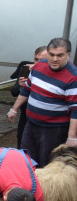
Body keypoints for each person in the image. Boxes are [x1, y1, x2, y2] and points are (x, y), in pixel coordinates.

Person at [8, 38, 77, 166]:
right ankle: (27, 185)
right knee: (26, 159)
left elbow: (75, 110)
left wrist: (72, 137)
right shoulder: (39, 66)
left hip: (53, 130)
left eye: (60, 55)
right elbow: (27, 89)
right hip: (31, 124)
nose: (54, 59)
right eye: (51, 54)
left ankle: (42, 186)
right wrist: (14, 109)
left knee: (45, 163)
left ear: (68, 55)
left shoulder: (73, 76)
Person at [9, 46, 47, 148]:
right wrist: (22, 87)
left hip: (46, 121)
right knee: (22, 144)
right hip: (25, 117)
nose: (38, 63)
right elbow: (14, 91)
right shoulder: (27, 71)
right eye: (36, 59)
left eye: (42, 60)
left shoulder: (52, 75)